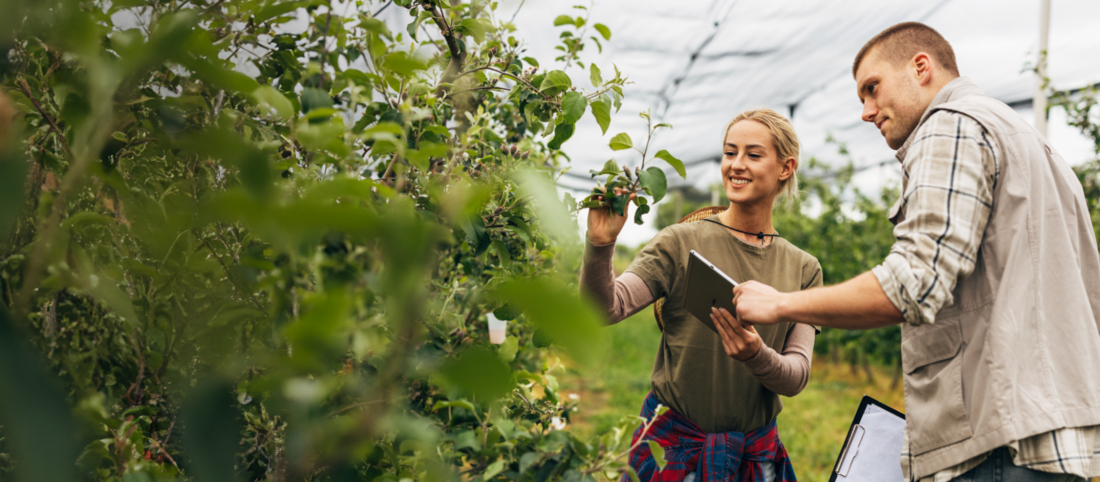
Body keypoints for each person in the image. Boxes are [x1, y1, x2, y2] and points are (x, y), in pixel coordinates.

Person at [731, 22, 1100, 482]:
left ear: (920, 67)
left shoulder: (950, 127)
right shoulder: (1035, 146)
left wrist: (780, 303)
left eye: (872, 88)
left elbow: (914, 283)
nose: (866, 111)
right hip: (1051, 433)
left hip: (997, 443)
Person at [581, 108, 822, 482]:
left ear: (785, 168)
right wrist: (600, 245)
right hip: (674, 448)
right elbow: (605, 309)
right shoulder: (681, 242)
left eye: (753, 155)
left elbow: (795, 377)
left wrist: (756, 356)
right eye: (730, 152)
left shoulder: (804, 269)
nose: (736, 165)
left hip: (753, 457)